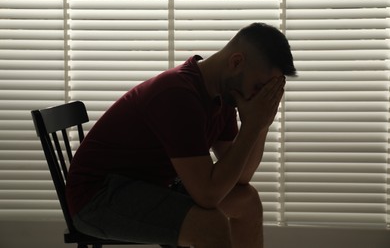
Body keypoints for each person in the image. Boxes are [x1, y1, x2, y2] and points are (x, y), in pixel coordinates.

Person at [66, 22, 296, 248]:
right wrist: (252, 127)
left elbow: (241, 177)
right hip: (98, 198)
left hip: (151, 186)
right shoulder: (177, 94)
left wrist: (261, 123)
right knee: (210, 225)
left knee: (247, 201)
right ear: (236, 62)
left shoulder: (223, 95)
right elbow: (208, 195)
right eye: (258, 87)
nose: (258, 98)